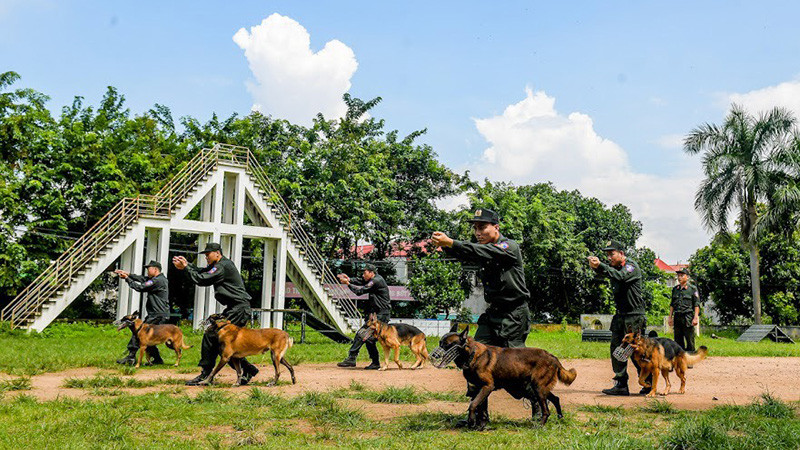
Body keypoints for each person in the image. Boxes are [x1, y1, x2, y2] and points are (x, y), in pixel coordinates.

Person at [431, 207, 531, 426]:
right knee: (472, 359)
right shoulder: (484, 249)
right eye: (475, 228)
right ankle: (478, 418)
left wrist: (452, 243)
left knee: (516, 368)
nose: (478, 232)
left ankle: (540, 407)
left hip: (514, 314)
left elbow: (481, 252)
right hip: (493, 313)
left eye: (482, 227)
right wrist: (446, 247)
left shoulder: (508, 247)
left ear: (496, 227)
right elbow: (470, 253)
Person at [172, 243, 259, 386]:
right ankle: (247, 370)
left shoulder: (222, 266)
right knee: (219, 340)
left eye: (208, 254)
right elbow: (203, 271)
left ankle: (207, 374)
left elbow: (202, 279)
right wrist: (187, 265)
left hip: (239, 309)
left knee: (213, 335)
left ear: (217, 253)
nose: (206, 257)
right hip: (234, 308)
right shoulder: (219, 265)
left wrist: (186, 268)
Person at [588, 240, 649, 396]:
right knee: (617, 349)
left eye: (611, 254)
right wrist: (596, 266)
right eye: (607, 255)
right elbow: (606, 272)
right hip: (620, 315)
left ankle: (648, 383)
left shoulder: (631, 266)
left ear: (621, 253)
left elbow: (620, 277)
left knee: (635, 351)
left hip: (634, 316)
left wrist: (601, 265)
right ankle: (621, 384)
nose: (609, 257)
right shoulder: (615, 269)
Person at [336, 263, 391, 370]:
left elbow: (360, 291)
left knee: (361, 334)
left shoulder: (376, 281)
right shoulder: (373, 280)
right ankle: (375, 363)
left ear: (371, 273)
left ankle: (352, 358)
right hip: (377, 315)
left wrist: (348, 283)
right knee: (369, 339)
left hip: (381, 315)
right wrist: (349, 279)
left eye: (365, 273)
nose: (363, 275)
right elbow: (361, 281)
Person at [115, 260, 170, 365]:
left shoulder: (157, 281)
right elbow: (142, 279)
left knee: (139, 332)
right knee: (149, 337)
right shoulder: (158, 279)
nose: (147, 271)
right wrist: (128, 274)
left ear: (155, 269)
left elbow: (140, 287)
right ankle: (157, 360)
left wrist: (127, 279)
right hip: (158, 314)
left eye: (148, 268)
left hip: (157, 315)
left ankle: (131, 357)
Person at [669, 268, 700, 352]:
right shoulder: (675, 289)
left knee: (689, 339)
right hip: (677, 316)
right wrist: (670, 317)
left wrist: (695, 317)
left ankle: (690, 359)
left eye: (682, 276)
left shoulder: (692, 289)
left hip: (688, 317)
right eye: (678, 276)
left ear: (687, 277)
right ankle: (680, 360)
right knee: (678, 340)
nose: (679, 278)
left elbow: (696, 304)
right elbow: (672, 304)